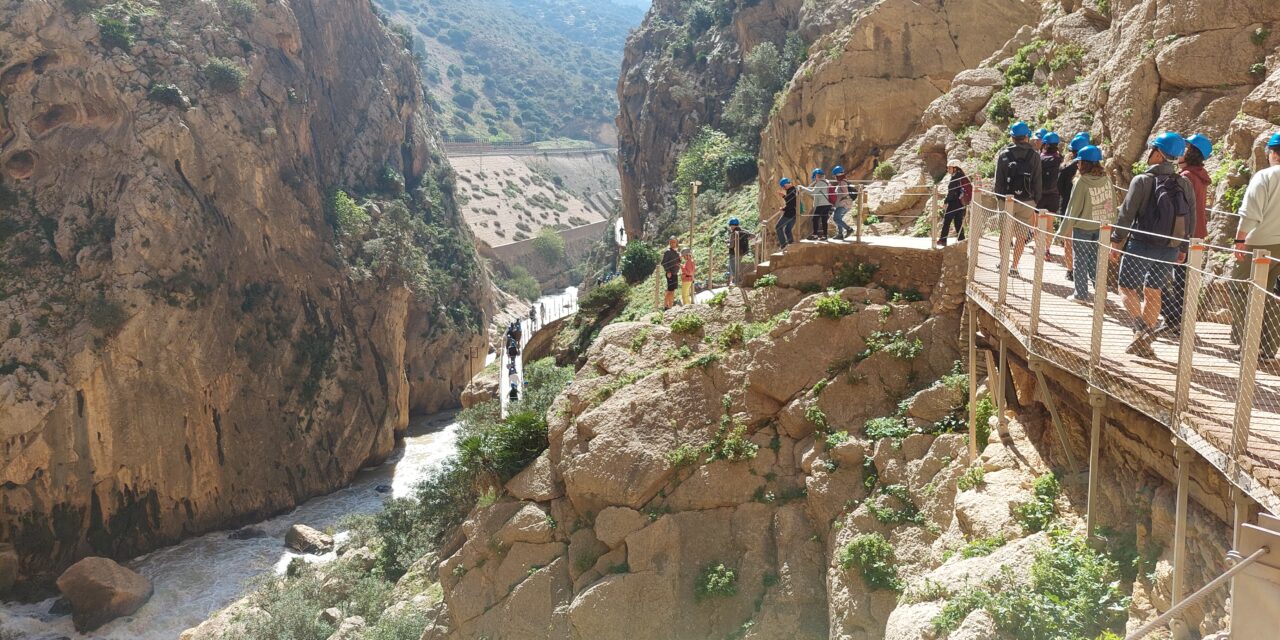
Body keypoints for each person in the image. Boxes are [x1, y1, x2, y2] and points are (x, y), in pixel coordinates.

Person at [1111, 132, 1194, 358]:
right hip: (1170, 247)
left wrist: (1116, 242)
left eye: (1152, 150)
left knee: (1126, 287)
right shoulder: (1184, 184)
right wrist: (1183, 249)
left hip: (1142, 244)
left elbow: (1126, 215)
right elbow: (1191, 219)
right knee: (1153, 291)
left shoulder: (1142, 181)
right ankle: (1143, 343)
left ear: (1157, 153)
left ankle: (1141, 327)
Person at [1231, 132, 1280, 361]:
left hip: (1257, 243)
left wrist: (1240, 240)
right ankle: (1269, 348)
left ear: (1272, 153)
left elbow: (1250, 212)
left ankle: (1246, 345)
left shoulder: (1265, 176)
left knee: (1240, 290)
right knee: (1267, 293)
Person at [1159, 134, 1213, 335]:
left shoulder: (1186, 177)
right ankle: (1180, 320)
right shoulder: (1198, 174)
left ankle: (1175, 319)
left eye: (1185, 147)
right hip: (1196, 232)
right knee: (1182, 279)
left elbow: (1180, 209)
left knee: (1166, 276)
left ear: (1191, 152)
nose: (1181, 151)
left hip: (1185, 234)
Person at [1060, 145, 1113, 302]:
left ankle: (1080, 294)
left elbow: (1073, 208)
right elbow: (1111, 203)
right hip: (1101, 227)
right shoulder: (1106, 180)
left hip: (1083, 227)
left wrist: (1062, 232)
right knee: (1096, 261)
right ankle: (1101, 293)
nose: (1077, 164)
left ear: (1085, 163)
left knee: (1080, 261)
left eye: (1079, 161)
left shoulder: (1081, 181)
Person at [994, 121, 1044, 276]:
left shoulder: (1004, 155)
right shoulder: (1034, 156)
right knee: (1021, 236)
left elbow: (999, 181)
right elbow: (1037, 180)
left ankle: (1003, 263)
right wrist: (1035, 200)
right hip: (1027, 201)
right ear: (1027, 137)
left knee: (1005, 233)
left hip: (1007, 200)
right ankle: (1014, 267)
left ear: (1012, 137)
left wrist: (1001, 199)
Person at [1059, 132, 1092, 281]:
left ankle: (1070, 270)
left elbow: (1059, 186)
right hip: (1088, 210)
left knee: (1068, 240)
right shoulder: (1095, 170)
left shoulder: (1066, 168)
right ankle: (1084, 270)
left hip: (1068, 206)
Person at [1037, 132, 1064, 261]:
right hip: (1053, 195)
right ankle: (1047, 250)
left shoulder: (1039, 158)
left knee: (1038, 224)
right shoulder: (1059, 159)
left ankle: (1039, 248)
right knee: (1049, 225)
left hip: (1040, 196)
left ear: (1045, 144)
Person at [940, 161, 972, 247]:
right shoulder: (961, 176)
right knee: (958, 222)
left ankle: (943, 240)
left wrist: (946, 202)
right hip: (961, 203)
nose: (947, 169)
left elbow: (951, 192)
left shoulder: (956, 177)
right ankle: (961, 240)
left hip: (954, 202)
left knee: (947, 221)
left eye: (949, 168)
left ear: (955, 168)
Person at [831, 166, 857, 240]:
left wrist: (839, 199)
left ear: (837, 175)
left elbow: (845, 192)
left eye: (835, 176)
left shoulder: (842, 182)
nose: (834, 178)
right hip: (846, 204)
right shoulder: (845, 181)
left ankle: (848, 229)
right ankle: (840, 234)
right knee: (839, 219)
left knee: (836, 218)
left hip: (843, 204)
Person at [727, 218, 754, 285]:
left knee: (733, 266)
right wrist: (747, 239)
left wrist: (727, 244)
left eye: (731, 225)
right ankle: (738, 280)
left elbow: (731, 246)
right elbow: (753, 235)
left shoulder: (733, 234)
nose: (731, 227)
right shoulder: (743, 231)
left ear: (731, 225)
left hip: (733, 253)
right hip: (741, 252)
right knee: (738, 266)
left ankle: (736, 281)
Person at [808, 168, 832, 240]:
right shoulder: (826, 181)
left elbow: (812, 192)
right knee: (824, 220)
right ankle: (825, 236)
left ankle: (815, 235)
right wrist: (815, 182)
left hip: (822, 204)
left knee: (815, 219)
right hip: (828, 204)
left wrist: (802, 188)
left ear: (816, 176)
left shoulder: (820, 183)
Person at [777, 178, 797, 250]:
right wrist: (784, 208)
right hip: (794, 213)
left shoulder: (791, 191)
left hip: (790, 213)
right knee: (787, 230)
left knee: (778, 227)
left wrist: (783, 196)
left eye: (783, 186)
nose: (783, 188)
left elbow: (791, 203)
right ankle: (791, 243)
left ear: (786, 184)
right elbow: (791, 203)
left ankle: (783, 245)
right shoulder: (793, 190)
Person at [661, 236, 681, 309]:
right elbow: (663, 262)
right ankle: (666, 306)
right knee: (670, 290)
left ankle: (670, 306)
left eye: (674, 242)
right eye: (671, 242)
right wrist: (668, 271)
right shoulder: (668, 252)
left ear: (676, 243)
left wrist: (680, 259)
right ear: (669, 243)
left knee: (672, 290)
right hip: (670, 274)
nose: (673, 243)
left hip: (675, 273)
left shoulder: (676, 252)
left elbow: (678, 262)